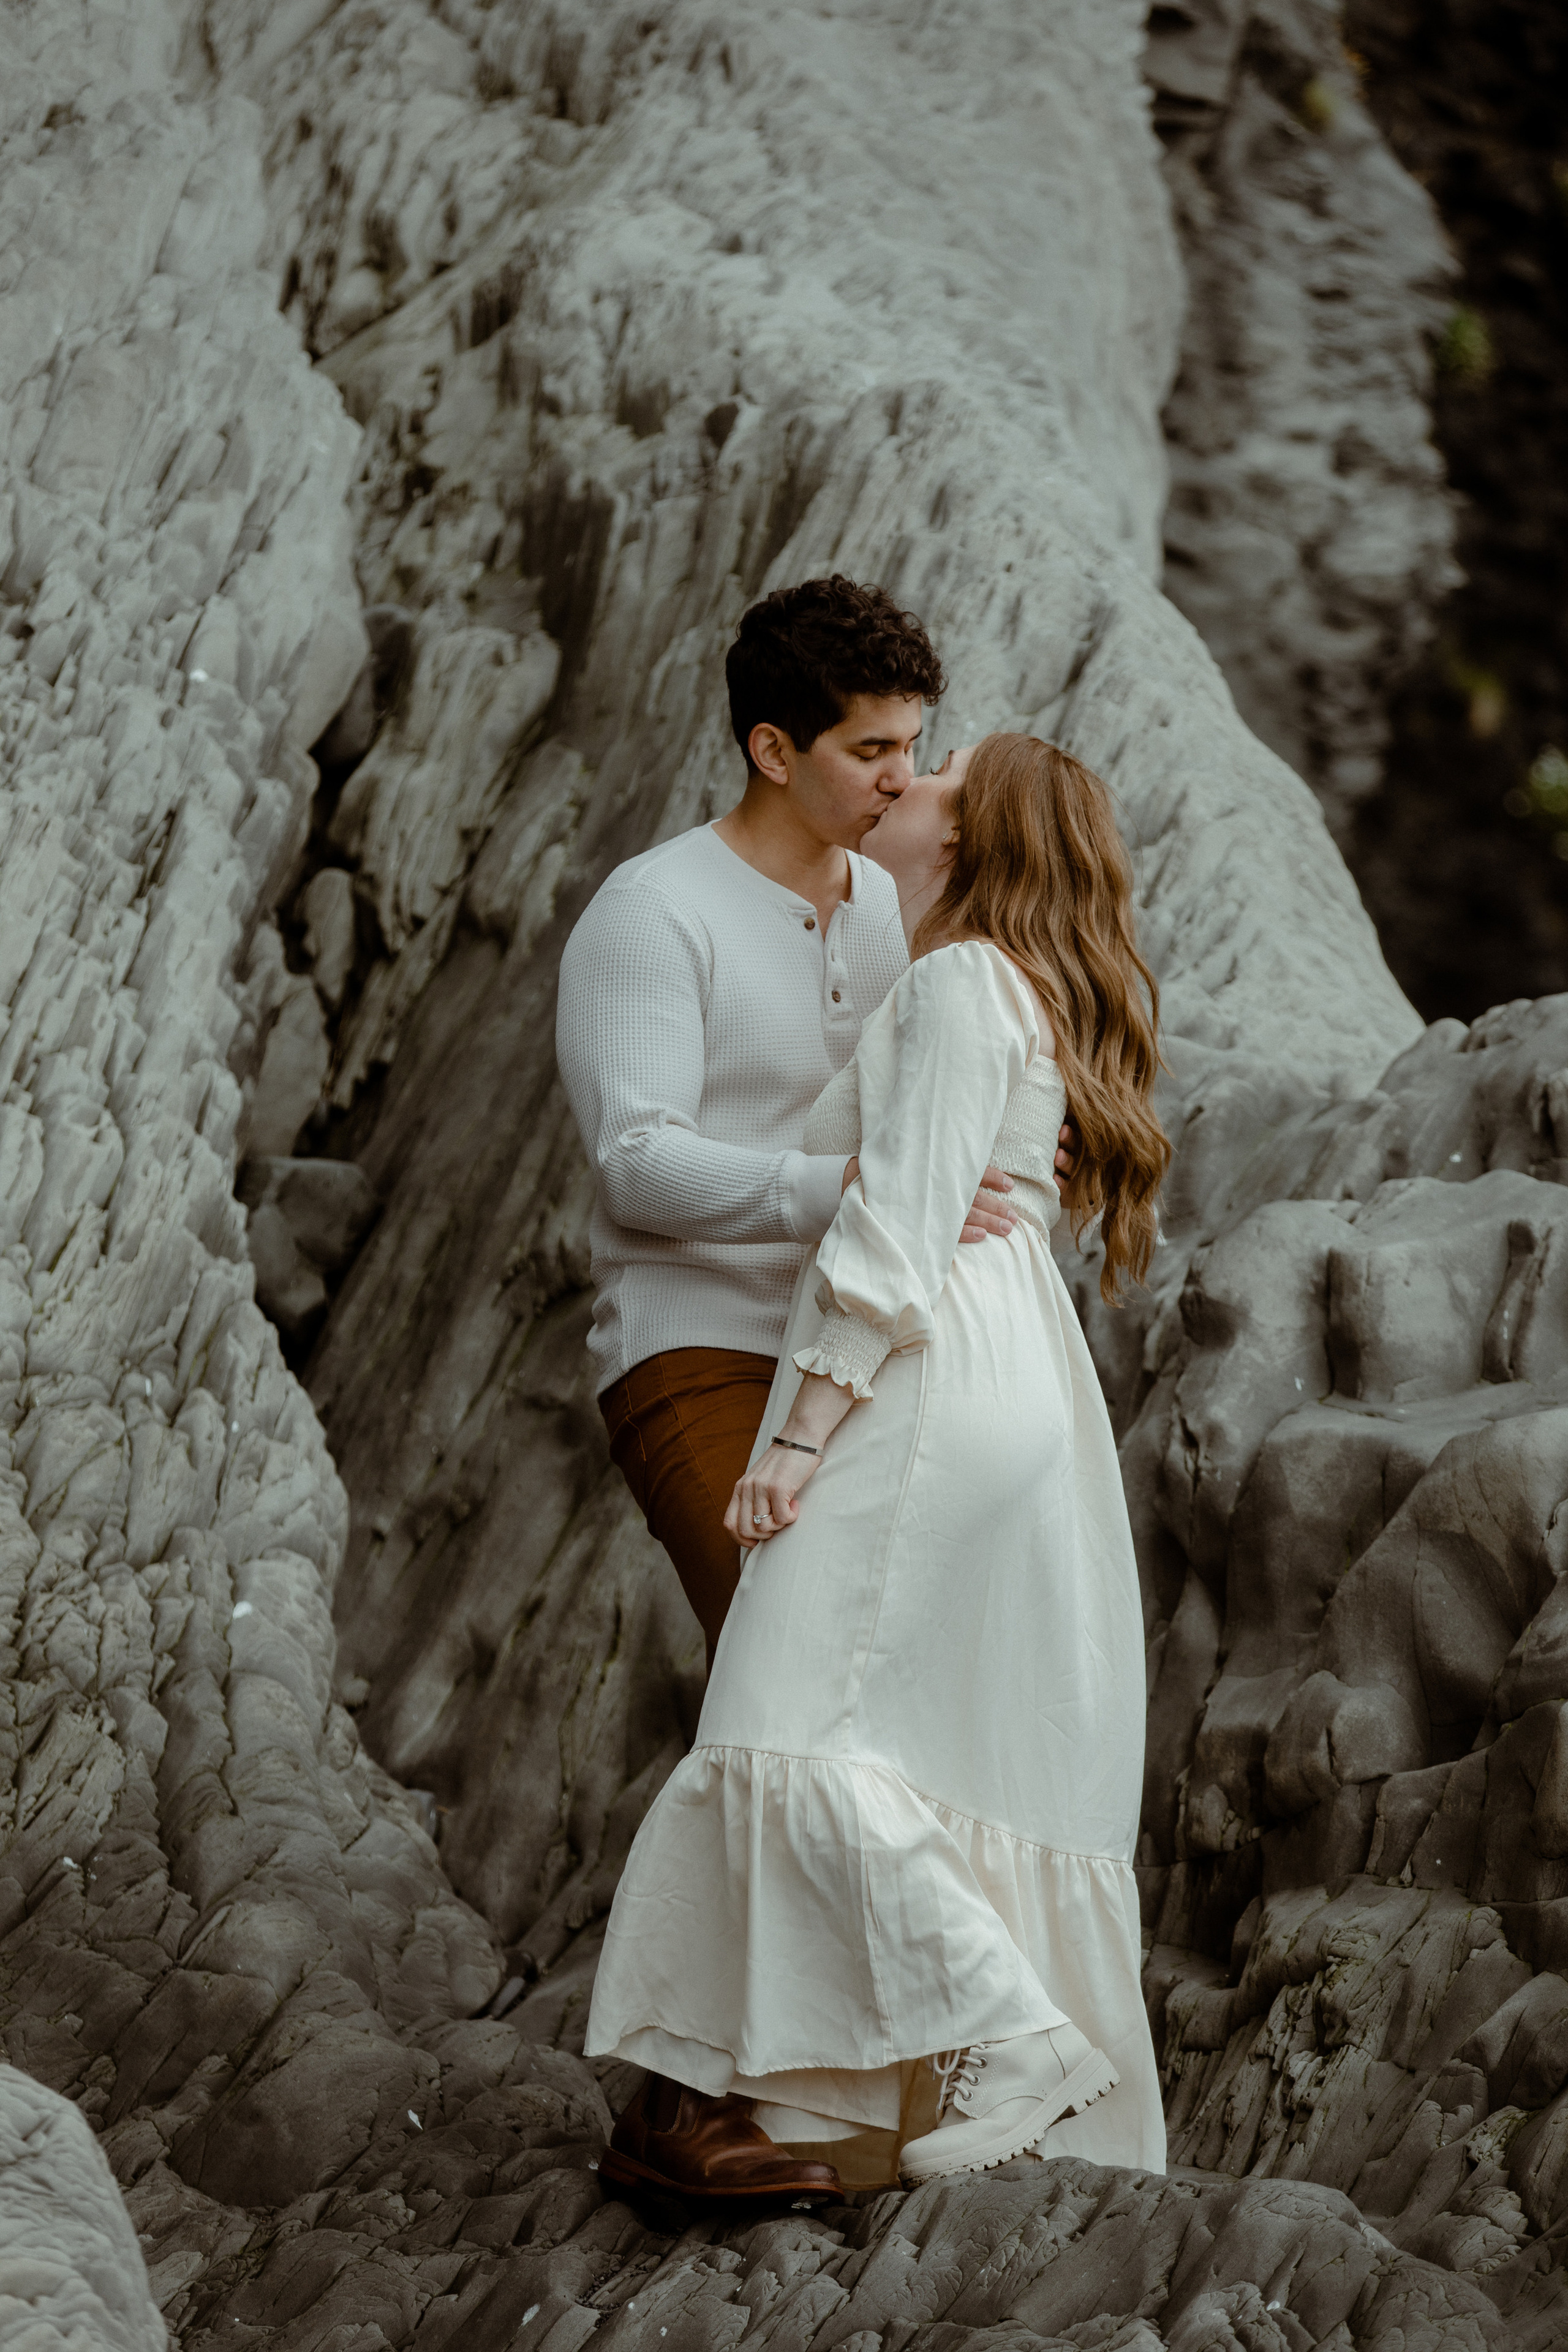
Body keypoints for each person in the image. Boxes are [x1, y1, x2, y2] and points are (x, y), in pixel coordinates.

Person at [586, 733, 1170, 2202]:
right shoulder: (1006, 989)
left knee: (787, 1723)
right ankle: (846, 2109)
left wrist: (792, 1443)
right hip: (1010, 1371)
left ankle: (1010, 2036)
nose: (897, 792)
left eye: (927, 782)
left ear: (962, 847)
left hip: (927, 1377)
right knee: (892, 1739)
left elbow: (892, 1233)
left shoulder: (959, 980)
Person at [557, 576, 1076, 1683]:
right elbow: (635, 1164)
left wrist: (1012, 1143)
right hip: (698, 1347)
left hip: (870, 1345)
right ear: (775, 751)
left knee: (891, 1684)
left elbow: (954, 1089)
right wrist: (858, 1182)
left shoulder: (905, 900)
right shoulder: (653, 912)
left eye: (916, 746)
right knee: (782, 1667)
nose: (905, 777)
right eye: (872, 749)